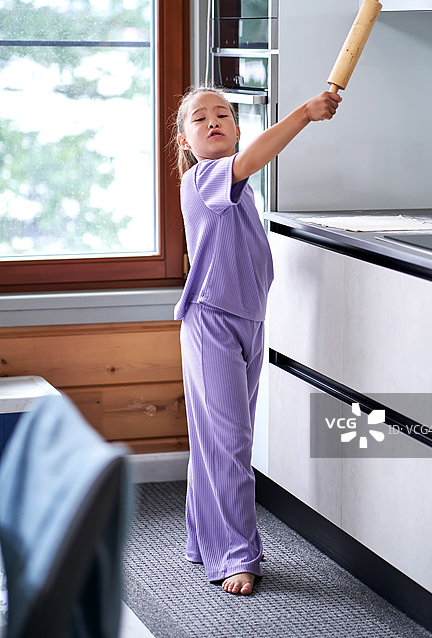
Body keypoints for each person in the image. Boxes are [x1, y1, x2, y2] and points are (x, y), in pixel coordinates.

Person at [173, 85, 341, 596]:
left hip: (248, 321)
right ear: (185, 140)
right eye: (200, 119)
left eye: (223, 113)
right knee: (231, 444)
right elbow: (252, 159)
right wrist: (306, 114)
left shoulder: (240, 189)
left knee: (217, 442)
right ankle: (237, 555)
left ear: (237, 126)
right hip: (212, 323)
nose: (213, 121)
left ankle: (205, 540)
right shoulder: (204, 179)